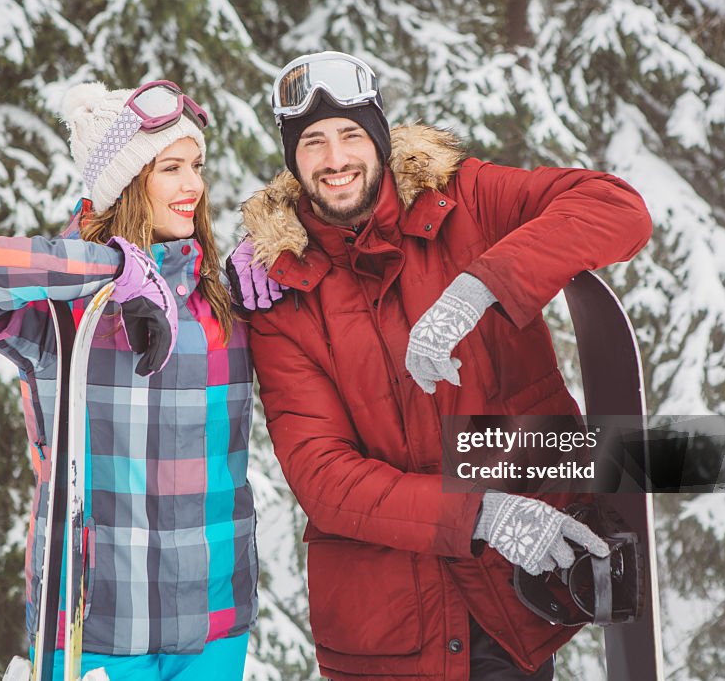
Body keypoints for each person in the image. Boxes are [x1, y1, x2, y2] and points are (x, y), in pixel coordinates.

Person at [229, 51, 653, 681]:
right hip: (387, 630)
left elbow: (616, 208)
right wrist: (483, 513)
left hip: (512, 609)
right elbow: (323, 477)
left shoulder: (466, 202)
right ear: (293, 160)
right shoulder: (282, 291)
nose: (336, 159)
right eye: (313, 142)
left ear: (379, 134)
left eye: (350, 134)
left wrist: (478, 286)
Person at [0, 80, 256, 680]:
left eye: (196, 165)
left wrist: (281, 243)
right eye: (171, 168)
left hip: (214, 619)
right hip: (95, 624)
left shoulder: (222, 299)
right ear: (126, 183)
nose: (194, 185)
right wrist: (115, 268)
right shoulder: (59, 310)